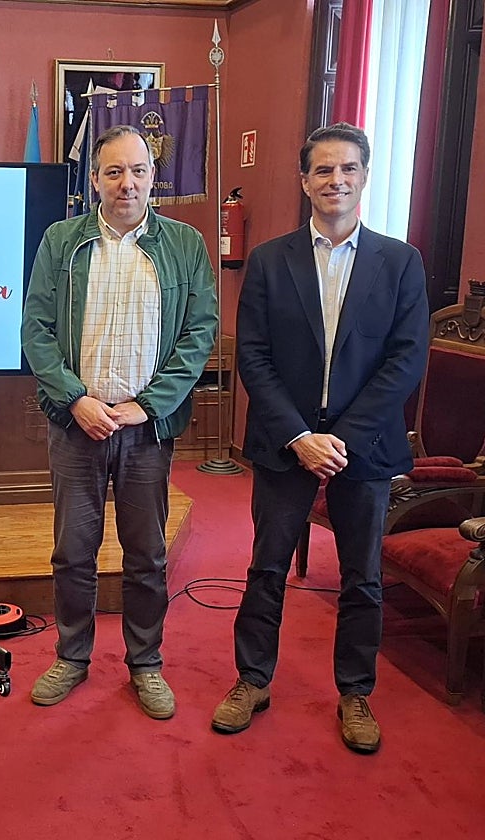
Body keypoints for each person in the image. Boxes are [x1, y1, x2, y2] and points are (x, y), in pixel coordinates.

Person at [211, 123, 428, 754]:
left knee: (361, 577)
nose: (337, 181)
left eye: (349, 170)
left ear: (364, 178)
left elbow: (405, 360)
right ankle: (252, 680)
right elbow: (253, 357)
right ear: (305, 180)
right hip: (285, 443)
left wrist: (344, 439)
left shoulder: (400, 261)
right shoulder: (272, 260)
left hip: (365, 449)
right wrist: (302, 435)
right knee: (266, 569)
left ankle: (356, 692)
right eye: (324, 170)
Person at [21, 125, 218, 717]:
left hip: (146, 430)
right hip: (76, 423)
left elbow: (199, 332)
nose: (126, 183)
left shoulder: (184, 244)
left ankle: (146, 663)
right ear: (94, 180)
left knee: (147, 555)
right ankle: (72, 657)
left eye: (137, 170)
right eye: (113, 172)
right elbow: (36, 330)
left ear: (152, 176)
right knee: (73, 552)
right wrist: (77, 398)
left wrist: (149, 404)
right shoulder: (62, 241)